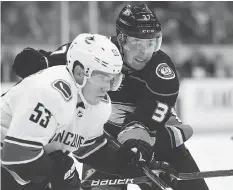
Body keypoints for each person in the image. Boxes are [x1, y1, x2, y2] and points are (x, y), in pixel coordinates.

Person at [11, 4, 209, 190]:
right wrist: (42, 61)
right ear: (121, 39)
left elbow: (150, 121)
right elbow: (70, 54)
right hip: (103, 143)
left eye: (151, 43)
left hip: (152, 140)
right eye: (137, 43)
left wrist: (139, 147)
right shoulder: (98, 51)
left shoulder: (162, 72)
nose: (145, 53)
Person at [1, 33, 124, 190]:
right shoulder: (51, 91)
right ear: (80, 73)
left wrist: (125, 161)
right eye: (103, 78)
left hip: (20, 172)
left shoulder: (97, 105)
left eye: (114, 80)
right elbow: (16, 155)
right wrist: (56, 170)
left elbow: (89, 149)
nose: (108, 88)